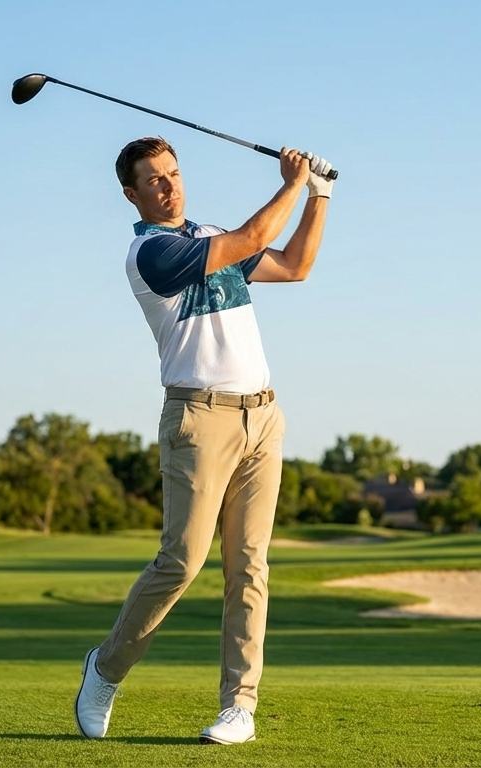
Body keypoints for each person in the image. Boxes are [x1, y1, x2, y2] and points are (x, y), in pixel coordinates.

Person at [73, 136, 333, 745]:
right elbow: (251, 237)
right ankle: (105, 669)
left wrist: (319, 196)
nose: (169, 185)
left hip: (262, 416)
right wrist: (292, 182)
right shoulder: (151, 253)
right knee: (182, 562)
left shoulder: (210, 235)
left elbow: (295, 266)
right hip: (199, 418)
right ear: (131, 194)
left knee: (250, 566)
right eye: (154, 179)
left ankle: (239, 705)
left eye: (173, 172)